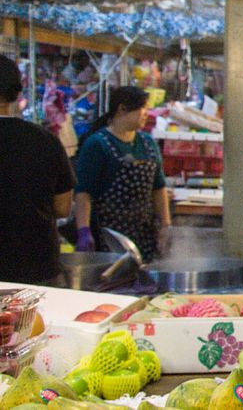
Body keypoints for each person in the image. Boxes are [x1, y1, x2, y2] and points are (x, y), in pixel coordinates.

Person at [0, 55, 75, 285]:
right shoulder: (45, 140)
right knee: (36, 323)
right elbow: (62, 207)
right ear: (16, 92)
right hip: (36, 268)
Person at [74, 86, 171, 261]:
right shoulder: (97, 144)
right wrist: (84, 230)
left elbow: (159, 187)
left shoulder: (148, 143)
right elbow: (84, 192)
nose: (146, 114)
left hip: (146, 235)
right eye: (142, 108)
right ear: (122, 109)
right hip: (110, 237)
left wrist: (165, 225)